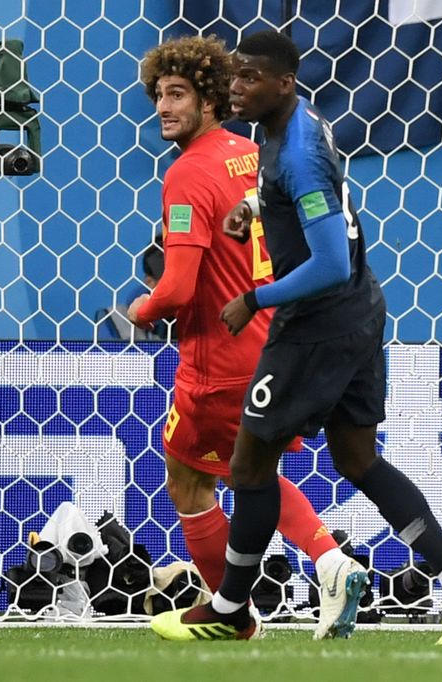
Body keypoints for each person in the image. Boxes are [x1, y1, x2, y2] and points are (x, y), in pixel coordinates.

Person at [150, 29, 442, 645]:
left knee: (249, 463)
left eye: (249, 78)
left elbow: (330, 261)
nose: (235, 89)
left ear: (284, 83)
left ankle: (231, 609)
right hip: (362, 313)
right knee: (357, 459)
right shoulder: (287, 129)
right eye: (233, 77)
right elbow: (311, 198)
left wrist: (255, 297)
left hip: (316, 324)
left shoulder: (294, 154)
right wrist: (255, 206)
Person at [128, 34, 368, 640]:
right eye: (159, 94)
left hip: (216, 355)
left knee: (191, 476)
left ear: (211, 100)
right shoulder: (251, 151)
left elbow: (178, 287)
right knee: (246, 469)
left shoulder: (186, 174)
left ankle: (238, 613)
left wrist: (143, 306)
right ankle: (325, 563)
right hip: (267, 342)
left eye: (178, 94)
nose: (164, 106)